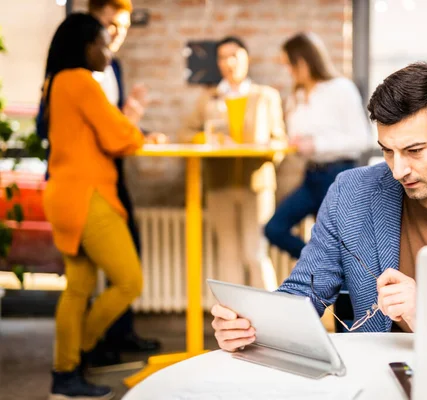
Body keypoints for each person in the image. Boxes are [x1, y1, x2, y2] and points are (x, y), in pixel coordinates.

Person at [211, 62, 427, 351]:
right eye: (386, 150)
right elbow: (306, 290)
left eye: (414, 151)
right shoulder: (350, 191)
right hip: (374, 375)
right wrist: (254, 326)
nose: (398, 170)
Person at [36, 0, 162, 366]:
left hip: (64, 194)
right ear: (85, 47)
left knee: (77, 289)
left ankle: (65, 375)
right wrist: (135, 126)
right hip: (87, 197)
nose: (109, 51)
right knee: (129, 281)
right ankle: (82, 351)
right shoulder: (80, 81)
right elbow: (118, 136)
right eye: (103, 43)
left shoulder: (57, 82)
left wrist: (128, 127)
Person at [180, 36, 286, 292]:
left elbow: (279, 140)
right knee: (228, 256)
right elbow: (185, 133)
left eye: (234, 55)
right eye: (222, 57)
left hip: (257, 186)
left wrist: (266, 149)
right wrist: (208, 138)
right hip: (219, 185)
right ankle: (235, 324)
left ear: (246, 58)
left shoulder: (265, 96)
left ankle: (271, 324)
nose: (228, 62)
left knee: (255, 253)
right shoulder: (209, 98)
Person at [263, 32, 372, 260]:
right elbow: (297, 136)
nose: (289, 72)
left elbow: (362, 138)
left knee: (339, 243)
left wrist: (316, 144)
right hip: (311, 176)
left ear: (302, 61)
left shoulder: (341, 89)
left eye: (289, 65)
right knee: (274, 229)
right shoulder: (297, 96)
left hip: (339, 175)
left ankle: (334, 276)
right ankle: (318, 261)